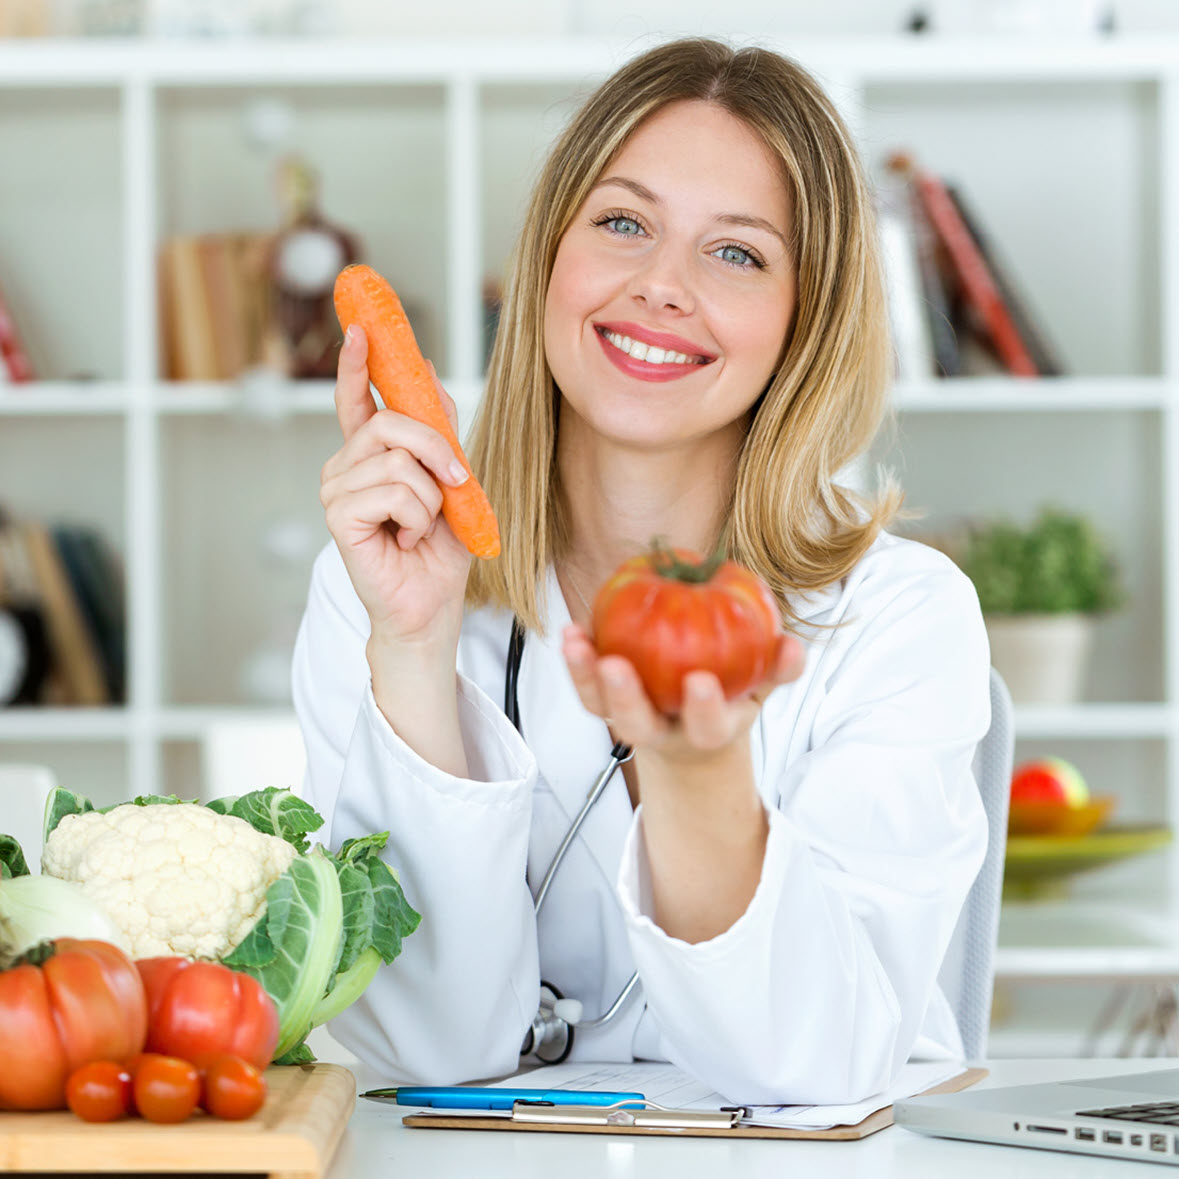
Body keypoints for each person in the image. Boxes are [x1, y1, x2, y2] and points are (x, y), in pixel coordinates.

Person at [293, 36, 990, 1105]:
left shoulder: (898, 617)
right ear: (548, 259)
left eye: (738, 254)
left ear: (805, 322)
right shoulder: (378, 580)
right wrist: (418, 647)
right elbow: (428, 1059)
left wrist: (701, 772)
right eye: (622, 224)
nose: (660, 286)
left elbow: (811, 1070)